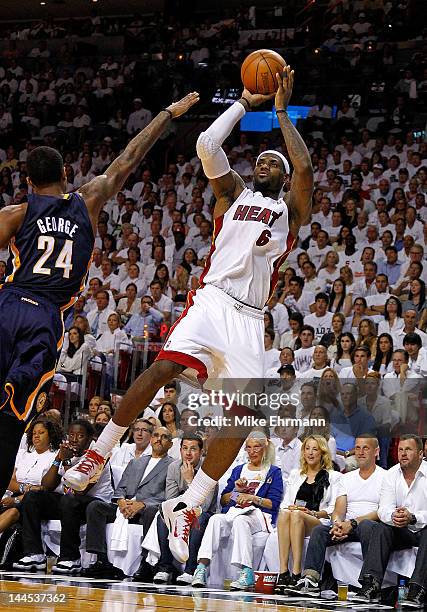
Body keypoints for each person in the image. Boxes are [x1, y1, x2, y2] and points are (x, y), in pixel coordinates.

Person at [64, 68, 313, 565]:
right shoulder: (232, 195)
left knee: (245, 417)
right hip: (213, 300)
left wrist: (282, 112)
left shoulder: (291, 209)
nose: (264, 163)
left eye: (272, 161)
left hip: (250, 319)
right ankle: (101, 450)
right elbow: (206, 143)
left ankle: (189, 505)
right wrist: (244, 103)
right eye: (260, 159)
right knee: (162, 368)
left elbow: (304, 168)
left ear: (281, 177)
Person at [0, 91, 199, 499]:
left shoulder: (15, 214)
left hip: (7, 305)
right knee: (12, 414)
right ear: (67, 173)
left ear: (28, 182)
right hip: (45, 318)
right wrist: (165, 112)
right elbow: (129, 157)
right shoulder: (87, 201)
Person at [289, 436, 385, 596]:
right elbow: (339, 508)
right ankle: (311, 579)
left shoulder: (386, 477)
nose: (360, 452)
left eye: (365, 448)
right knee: (320, 530)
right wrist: (337, 523)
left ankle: (370, 583)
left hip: (369, 525)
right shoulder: (347, 478)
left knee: (368, 527)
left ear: (376, 451)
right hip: (346, 526)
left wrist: (353, 523)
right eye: (358, 448)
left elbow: (382, 511)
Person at [191, 431, 282, 591]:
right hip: (234, 511)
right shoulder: (238, 470)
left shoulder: (273, 472)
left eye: (256, 447)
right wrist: (236, 491)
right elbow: (224, 499)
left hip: (258, 515)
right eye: (249, 447)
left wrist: (252, 498)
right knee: (215, 519)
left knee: (242, 521)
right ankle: (201, 568)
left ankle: (246, 572)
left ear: (265, 448)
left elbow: (272, 503)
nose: (252, 451)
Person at [354, 436, 427, 607]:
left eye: (408, 450)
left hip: (423, 529)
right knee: (381, 527)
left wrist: (414, 517)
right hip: (401, 529)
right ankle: (370, 585)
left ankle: (417, 590)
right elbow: (383, 509)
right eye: (400, 450)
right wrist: (394, 516)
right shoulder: (391, 474)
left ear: (420, 454)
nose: (403, 454)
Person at [274, 435, 343, 593]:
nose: (310, 453)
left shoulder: (334, 476)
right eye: (307, 449)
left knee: (297, 515)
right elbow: (285, 503)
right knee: (285, 514)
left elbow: (333, 509)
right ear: (303, 452)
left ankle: (296, 573)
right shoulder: (295, 474)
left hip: (318, 522)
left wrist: (313, 513)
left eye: (315, 449)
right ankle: (283, 573)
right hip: (295, 517)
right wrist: (294, 508)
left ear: (322, 453)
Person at [152, 435, 218, 586]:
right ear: (180, 450)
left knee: (197, 519)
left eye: (193, 449)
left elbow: (204, 506)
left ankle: (190, 570)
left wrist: (190, 480)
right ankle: (165, 568)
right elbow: (171, 500)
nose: (188, 453)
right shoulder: (174, 467)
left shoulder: (209, 470)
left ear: (201, 452)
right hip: (180, 510)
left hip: (204, 513)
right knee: (162, 516)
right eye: (185, 448)